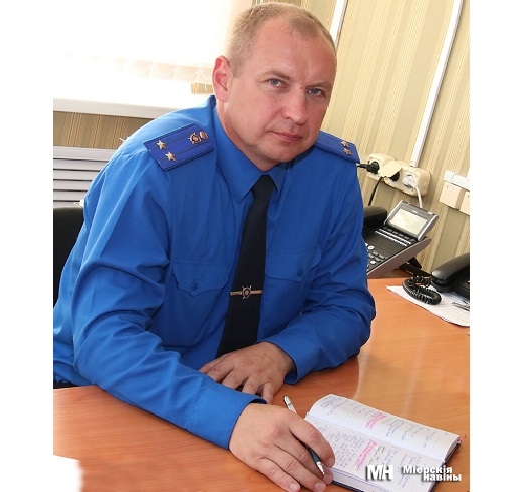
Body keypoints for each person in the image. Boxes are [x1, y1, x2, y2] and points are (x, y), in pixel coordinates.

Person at [53, 3, 376, 491]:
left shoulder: (331, 176)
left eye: (316, 92)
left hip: (244, 403)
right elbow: (104, 338)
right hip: (101, 397)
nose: (298, 113)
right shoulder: (154, 170)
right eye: (276, 83)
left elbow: (347, 306)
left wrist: (280, 352)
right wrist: (231, 417)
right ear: (223, 79)